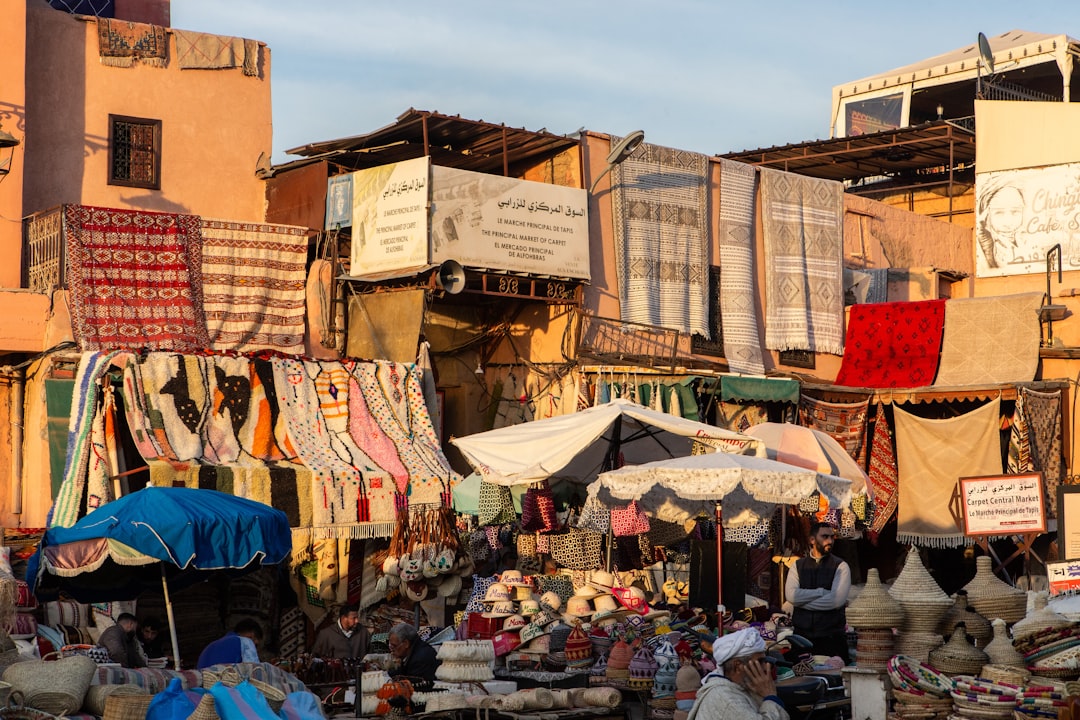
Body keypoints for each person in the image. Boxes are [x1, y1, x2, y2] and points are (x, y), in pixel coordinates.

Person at [785, 521, 851, 664]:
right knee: (802, 681)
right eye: (825, 536)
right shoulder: (797, 566)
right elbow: (791, 596)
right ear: (812, 540)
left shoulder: (841, 566)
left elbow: (836, 601)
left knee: (832, 680)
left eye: (832, 537)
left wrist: (801, 603)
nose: (830, 541)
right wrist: (821, 592)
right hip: (802, 639)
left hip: (831, 639)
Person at [687, 627, 788, 720]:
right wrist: (770, 696)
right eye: (760, 661)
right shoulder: (724, 697)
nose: (765, 666)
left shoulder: (737, 688)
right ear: (738, 666)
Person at [977, 182, 1026, 269]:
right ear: (986, 217)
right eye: (999, 213)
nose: (1008, 223)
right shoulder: (981, 248)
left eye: (1015, 212)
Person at [196, 619, 263, 669]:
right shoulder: (246, 641)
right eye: (255, 645)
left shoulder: (210, 645)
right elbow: (255, 672)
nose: (254, 646)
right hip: (222, 685)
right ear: (252, 635)